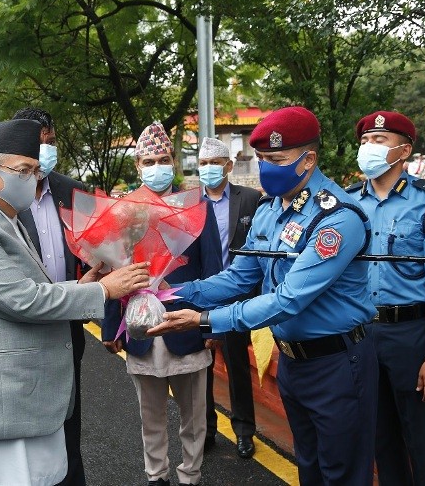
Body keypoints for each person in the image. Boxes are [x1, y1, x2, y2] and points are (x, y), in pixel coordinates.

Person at [149, 106, 379, 485]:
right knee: (309, 464)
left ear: (308, 160)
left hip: (337, 362)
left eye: (276, 159)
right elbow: (240, 277)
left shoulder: (338, 218)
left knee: (342, 472)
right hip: (292, 361)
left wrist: (205, 320)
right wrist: (172, 292)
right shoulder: (270, 211)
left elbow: (288, 299)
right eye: (261, 159)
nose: (266, 168)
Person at [0, 118, 150, 486]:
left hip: (23, 397)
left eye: (35, 170)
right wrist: (103, 291)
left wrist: (82, 284)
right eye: (24, 170)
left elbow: (24, 286)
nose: (33, 179)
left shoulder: (6, 217)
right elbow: (22, 300)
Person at [101, 122, 223, 486]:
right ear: (138, 166)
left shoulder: (197, 206)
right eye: (150, 160)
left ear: (175, 162)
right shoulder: (122, 211)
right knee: (150, 414)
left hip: (186, 322)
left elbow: (214, 268)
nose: (158, 166)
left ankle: (191, 475)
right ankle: (156, 476)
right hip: (139, 325)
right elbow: (111, 270)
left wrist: (211, 322)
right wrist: (111, 327)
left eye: (164, 159)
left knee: (194, 415)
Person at [348, 111, 425, 486]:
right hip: (361, 333)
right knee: (380, 436)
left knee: (422, 439)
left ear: (404, 151)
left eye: (379, 141)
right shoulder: (347, 204)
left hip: (410, 335)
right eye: (365, 141)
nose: (369, 148)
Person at [12, 106, 89, 486]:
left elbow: (96, 250)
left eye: (52, 143)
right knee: (30, 422)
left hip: (69, 323)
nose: (47, 151)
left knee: (70, 418)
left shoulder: (73, 191)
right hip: (24, 328)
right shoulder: (4, 197)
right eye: (40, 144)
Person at [196, 137, 260, 459]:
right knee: (202, 368)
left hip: (239, 298)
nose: (208, 169)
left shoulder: (250, 199)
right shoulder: (189, 204)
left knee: (237, 367)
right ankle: (206, 431)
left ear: (229, 166)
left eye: (214, 163)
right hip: (203, 296)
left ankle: (244, 431)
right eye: (203, 164)